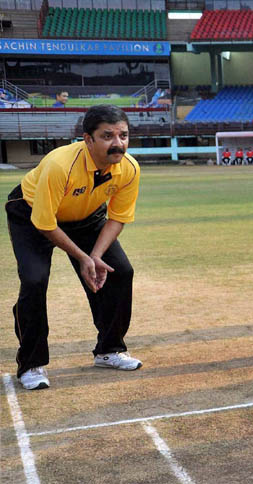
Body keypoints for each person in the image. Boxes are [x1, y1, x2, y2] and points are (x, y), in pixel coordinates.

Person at [5, 105, 143, 390]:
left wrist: (95, 256)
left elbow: (117, 218)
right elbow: (44, 223)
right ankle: (31, 364)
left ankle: (110, 350)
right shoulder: (60, 165)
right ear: (87, 139)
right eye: (107, 136)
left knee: (121, 272)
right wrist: (82, 258)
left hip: (86, 215)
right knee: (34, 280)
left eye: (123, 135)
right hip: (32, 214)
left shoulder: (128, 168)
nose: (117, 143)